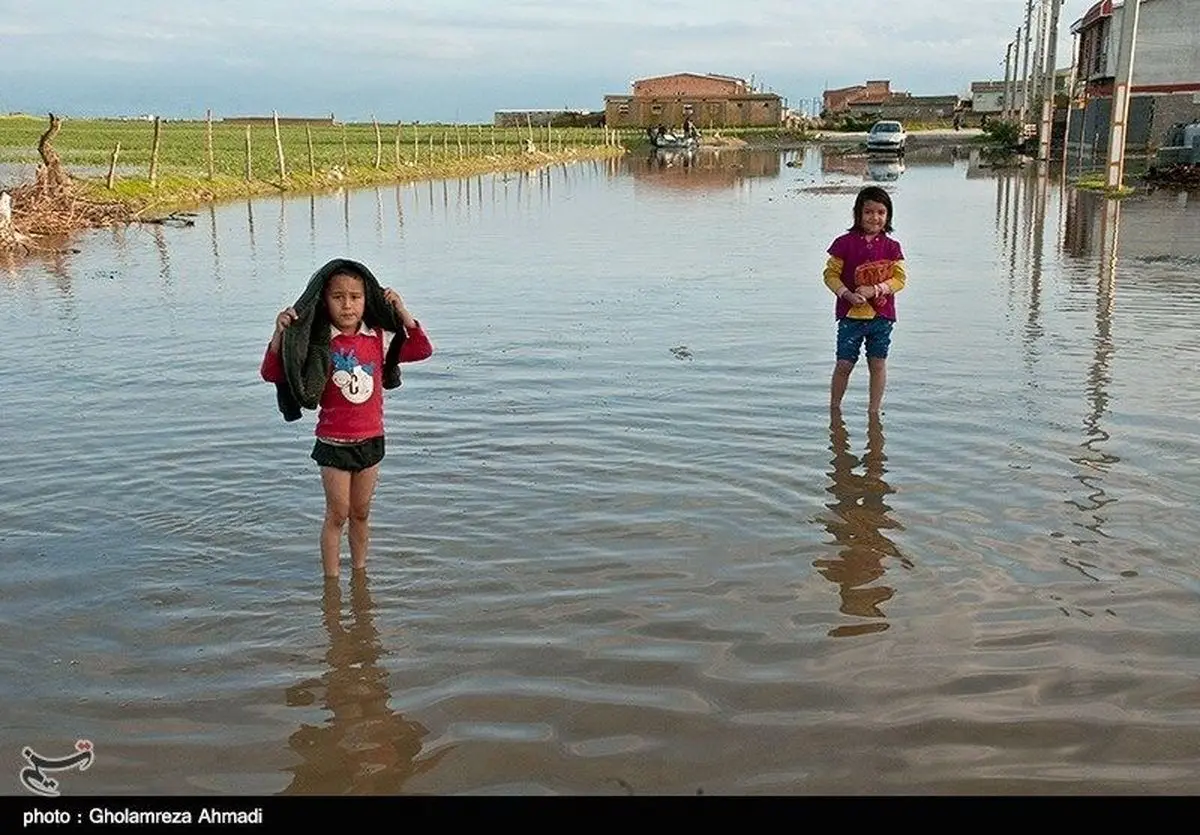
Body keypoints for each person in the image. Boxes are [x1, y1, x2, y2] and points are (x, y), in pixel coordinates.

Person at [261, 258, 433, 578]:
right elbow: (272, 372)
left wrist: (403, 311)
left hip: (371, 439)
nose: (348, 305)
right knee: (337, 514)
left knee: (361, 512)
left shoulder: (377, 338)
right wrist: (279, 334)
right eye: (338, 297)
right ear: (324, 301)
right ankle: (331, 582)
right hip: (333, 442)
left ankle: (360, 576)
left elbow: (421, 349)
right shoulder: (318, 342)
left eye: (355, 297)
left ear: (366, 300)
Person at [822, 186, 906, 414]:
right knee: (844, 365)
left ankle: (873, 413)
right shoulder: (844, 243)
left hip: (882, 317)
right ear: (858, 213)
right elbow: (830, 275)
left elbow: (900, 280)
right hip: (851, 316)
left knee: (877, 364)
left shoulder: (892, 247)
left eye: (881, 212)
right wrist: (847, 294)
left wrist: (875, 290)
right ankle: (834, 409)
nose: (875, 217)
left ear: (888, 216)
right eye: (868, 212)